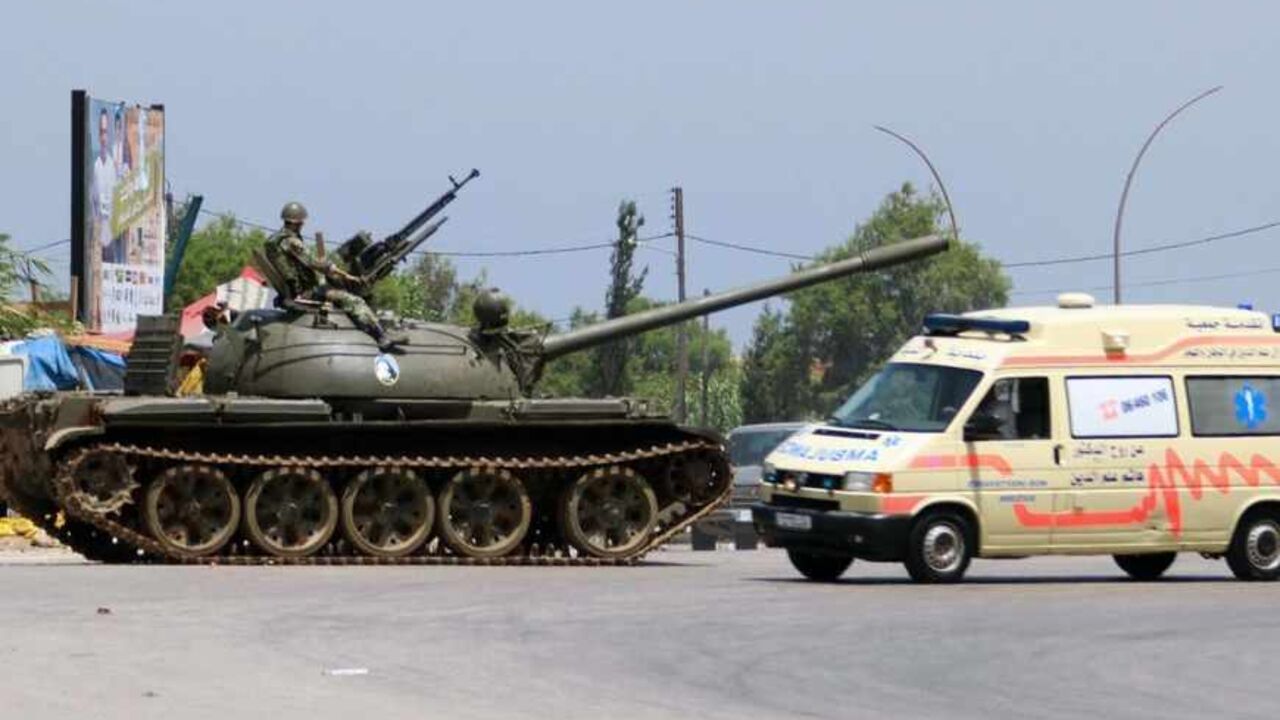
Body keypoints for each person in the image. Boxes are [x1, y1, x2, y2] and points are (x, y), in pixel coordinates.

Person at [264, 202, 407, 351]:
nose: (303, 225)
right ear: (297, 222)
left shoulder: (275, 241)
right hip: (305, 292)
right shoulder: (292, 241)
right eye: (302, 222)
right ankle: (381, 337)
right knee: (354, 300)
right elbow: (316, 263)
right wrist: (346, 276)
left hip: (294, 290)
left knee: (334, 288)